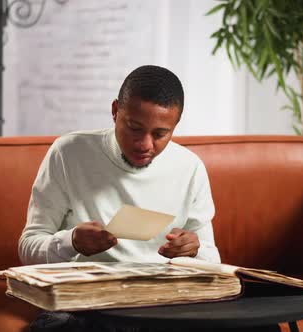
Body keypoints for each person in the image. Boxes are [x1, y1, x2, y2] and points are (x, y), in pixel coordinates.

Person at [19, 65, 221, 331]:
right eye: (135, 128)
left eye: (160, 134)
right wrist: (72, 242)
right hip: (88, 305)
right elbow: (27, 248)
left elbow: (212, 259)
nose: (145, 144)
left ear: (175, 125)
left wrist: (194, 249)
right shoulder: (69, 153)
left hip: (163, 306)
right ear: (115, 111)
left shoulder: (190, 167)